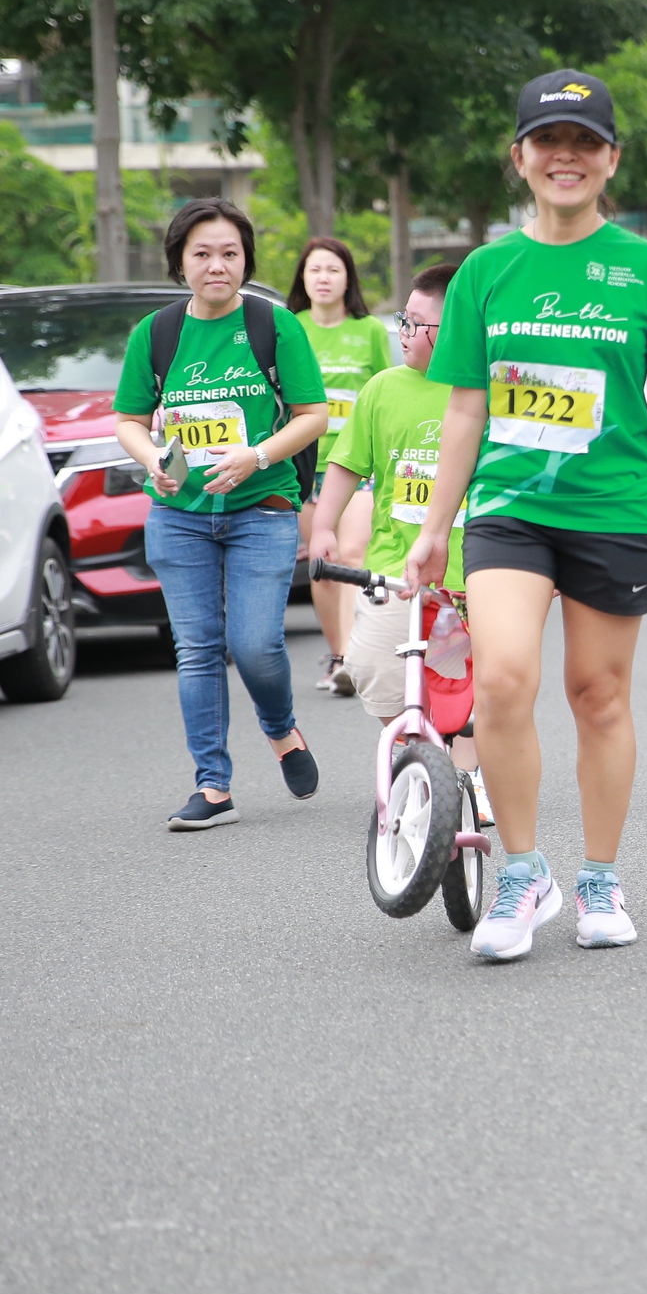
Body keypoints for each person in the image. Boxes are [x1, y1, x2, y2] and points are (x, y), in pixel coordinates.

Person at [403, 69, 647, 961]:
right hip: (509, 510)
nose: (566, 157)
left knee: (598, 695)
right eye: (548, 142)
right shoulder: (487, 272)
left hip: (614, 507)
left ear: (611, 160)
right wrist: (433, 525)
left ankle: (600, 876)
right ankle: (524, 875)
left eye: (585, 143)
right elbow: (463, 412)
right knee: (502, 680)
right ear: (519, 157)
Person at [110, 198, 329, 829]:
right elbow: (128, 420)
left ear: (246, 261)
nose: (217, 265)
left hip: (261, 508)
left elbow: (313, 415)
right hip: (179, 514)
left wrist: (256, 456)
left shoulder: (273, 325)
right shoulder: (155, 334)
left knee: (255, 644)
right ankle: (212, 786)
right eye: (202, 253)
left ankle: (282, 729)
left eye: (230, 253)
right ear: (180, 262)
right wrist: (151, 456)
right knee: (197, 650)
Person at [310, 261, 486, 808]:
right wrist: (322, 526)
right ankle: (418, 750)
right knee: (369, 663)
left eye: (415, 325)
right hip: (396, 567)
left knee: (477, 689)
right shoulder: (384, 388)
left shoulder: (488, 392)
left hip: (475, 572)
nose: (403, 334)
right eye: (402, 322)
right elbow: (346, 463)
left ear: (452, 330)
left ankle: (463, 778)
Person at [290, 237, 394, 696]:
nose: (324, 278)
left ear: (348, 278)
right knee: (321, 558)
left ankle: (354, 655)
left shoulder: (370, 329)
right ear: (303, 280)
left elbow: (388, 391)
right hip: (305, 462)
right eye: (315, 270)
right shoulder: (288, 328)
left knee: (353, 552)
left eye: (333, 269)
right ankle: (337, 655)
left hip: (357, 462)